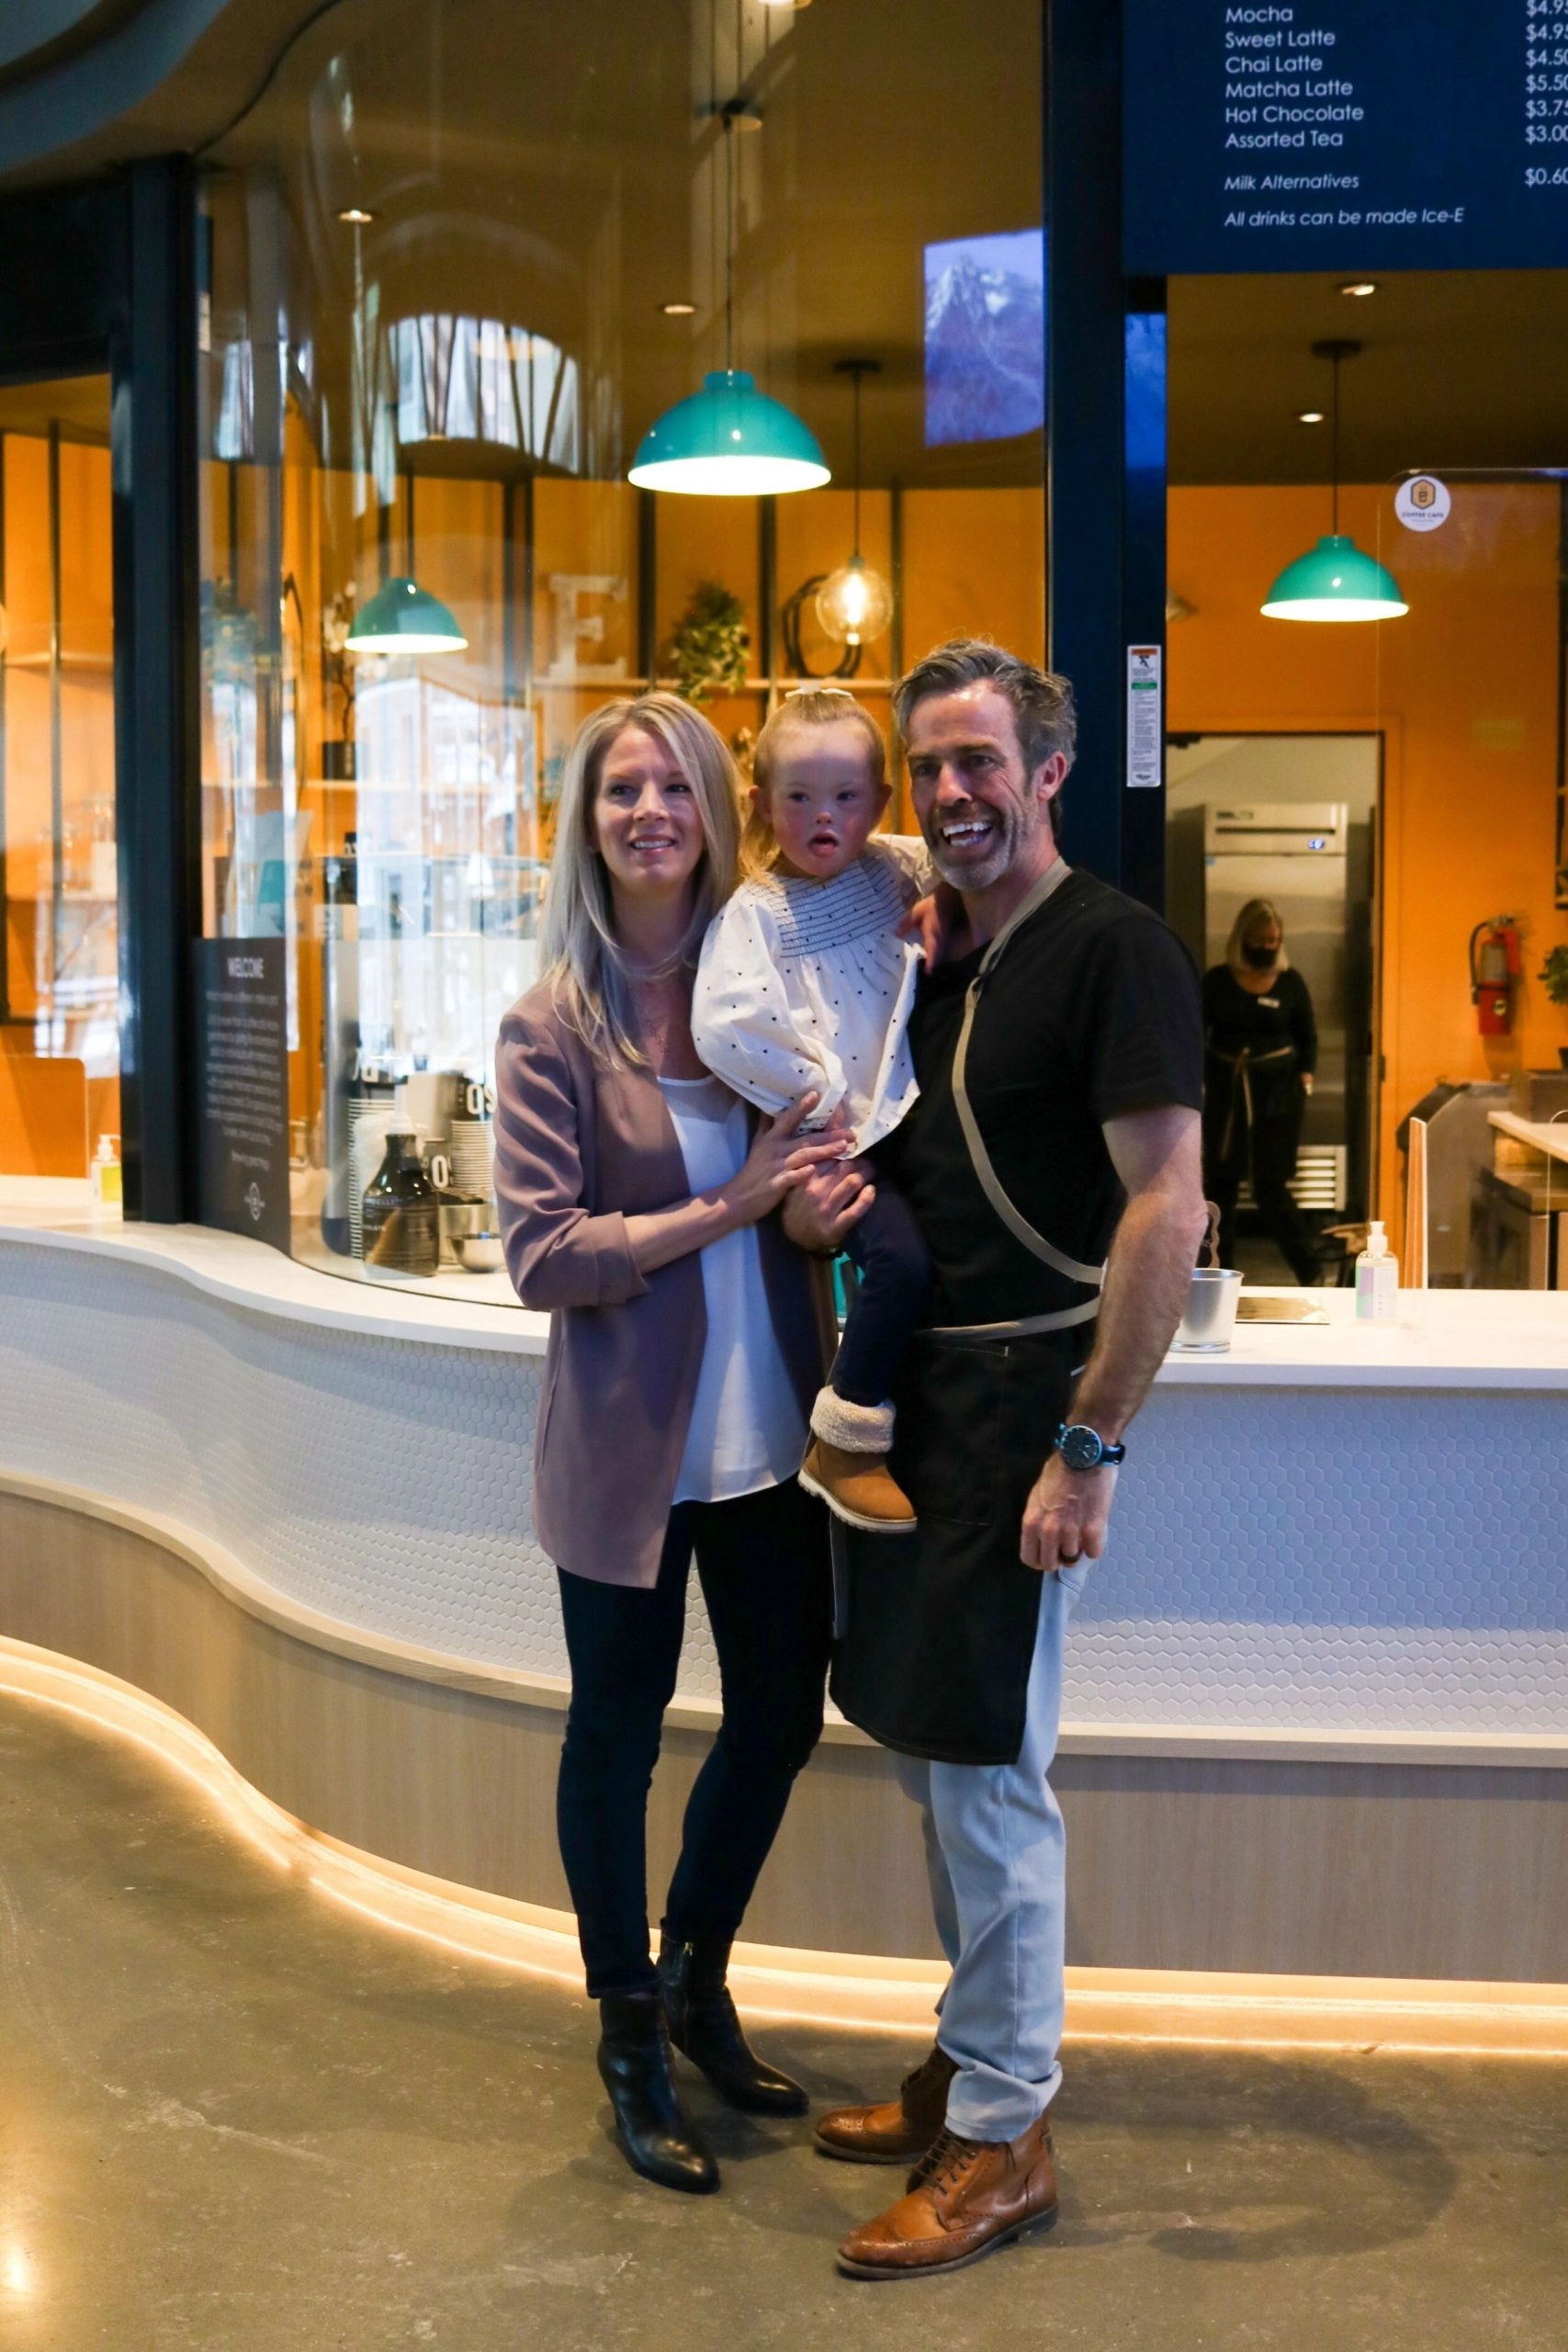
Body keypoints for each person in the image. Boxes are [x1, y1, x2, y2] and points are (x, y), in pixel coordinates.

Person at [784, 639, 1207, 2280]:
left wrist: (1089, 1445)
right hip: (921, 1421)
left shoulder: (1115, 954)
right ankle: (970, 2070)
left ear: (1047, 772)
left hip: (1031, 1411)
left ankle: (1007, 2135)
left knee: (991, 1785)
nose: (951, 793)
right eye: (930, 766)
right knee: (935, 1764)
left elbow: (1165, 1212)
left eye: (980, 763)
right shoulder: (936, 960)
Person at [492, 693, 845, 2198]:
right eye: (621, 789)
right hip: (630, 1458)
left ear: (714, 814)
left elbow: (816, 1183)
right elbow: (542, 1253)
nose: (648, 811)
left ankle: (694, 1973)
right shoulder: (547, 1023)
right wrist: (726, 1206)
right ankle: (626, 2032)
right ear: (590, 819)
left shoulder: (761, 995)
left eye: (675, 788)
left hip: (770, 1440)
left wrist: (816, 1207)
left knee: (780, 1713)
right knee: (613, 1743)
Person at [692, 687, 935, 1533]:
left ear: (879, 801)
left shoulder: (900, 869)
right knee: (898, 1261)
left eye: (844, 797)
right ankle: (845, 1434)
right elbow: (725, 1023)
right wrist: (821, 1098)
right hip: (835, 1134)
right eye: (797, 797)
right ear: (761, 804)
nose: (821, 817)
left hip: (905, 1112)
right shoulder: (757, 912)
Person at [1201, 897, 1319, 1283]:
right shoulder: (1217, 981)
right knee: (1222, 1188)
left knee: (1271, 1189)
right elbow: (1195, 1032)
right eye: (1261, 940)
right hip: (1226, 1094)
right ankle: (1219, 1276)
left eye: (1274, 941)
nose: (1268, 947)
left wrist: (1306, 1076)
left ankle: (1311, 1271)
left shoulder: (1291, 982)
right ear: (1243, 938)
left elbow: (1307, 1035)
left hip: (1278, 1098)